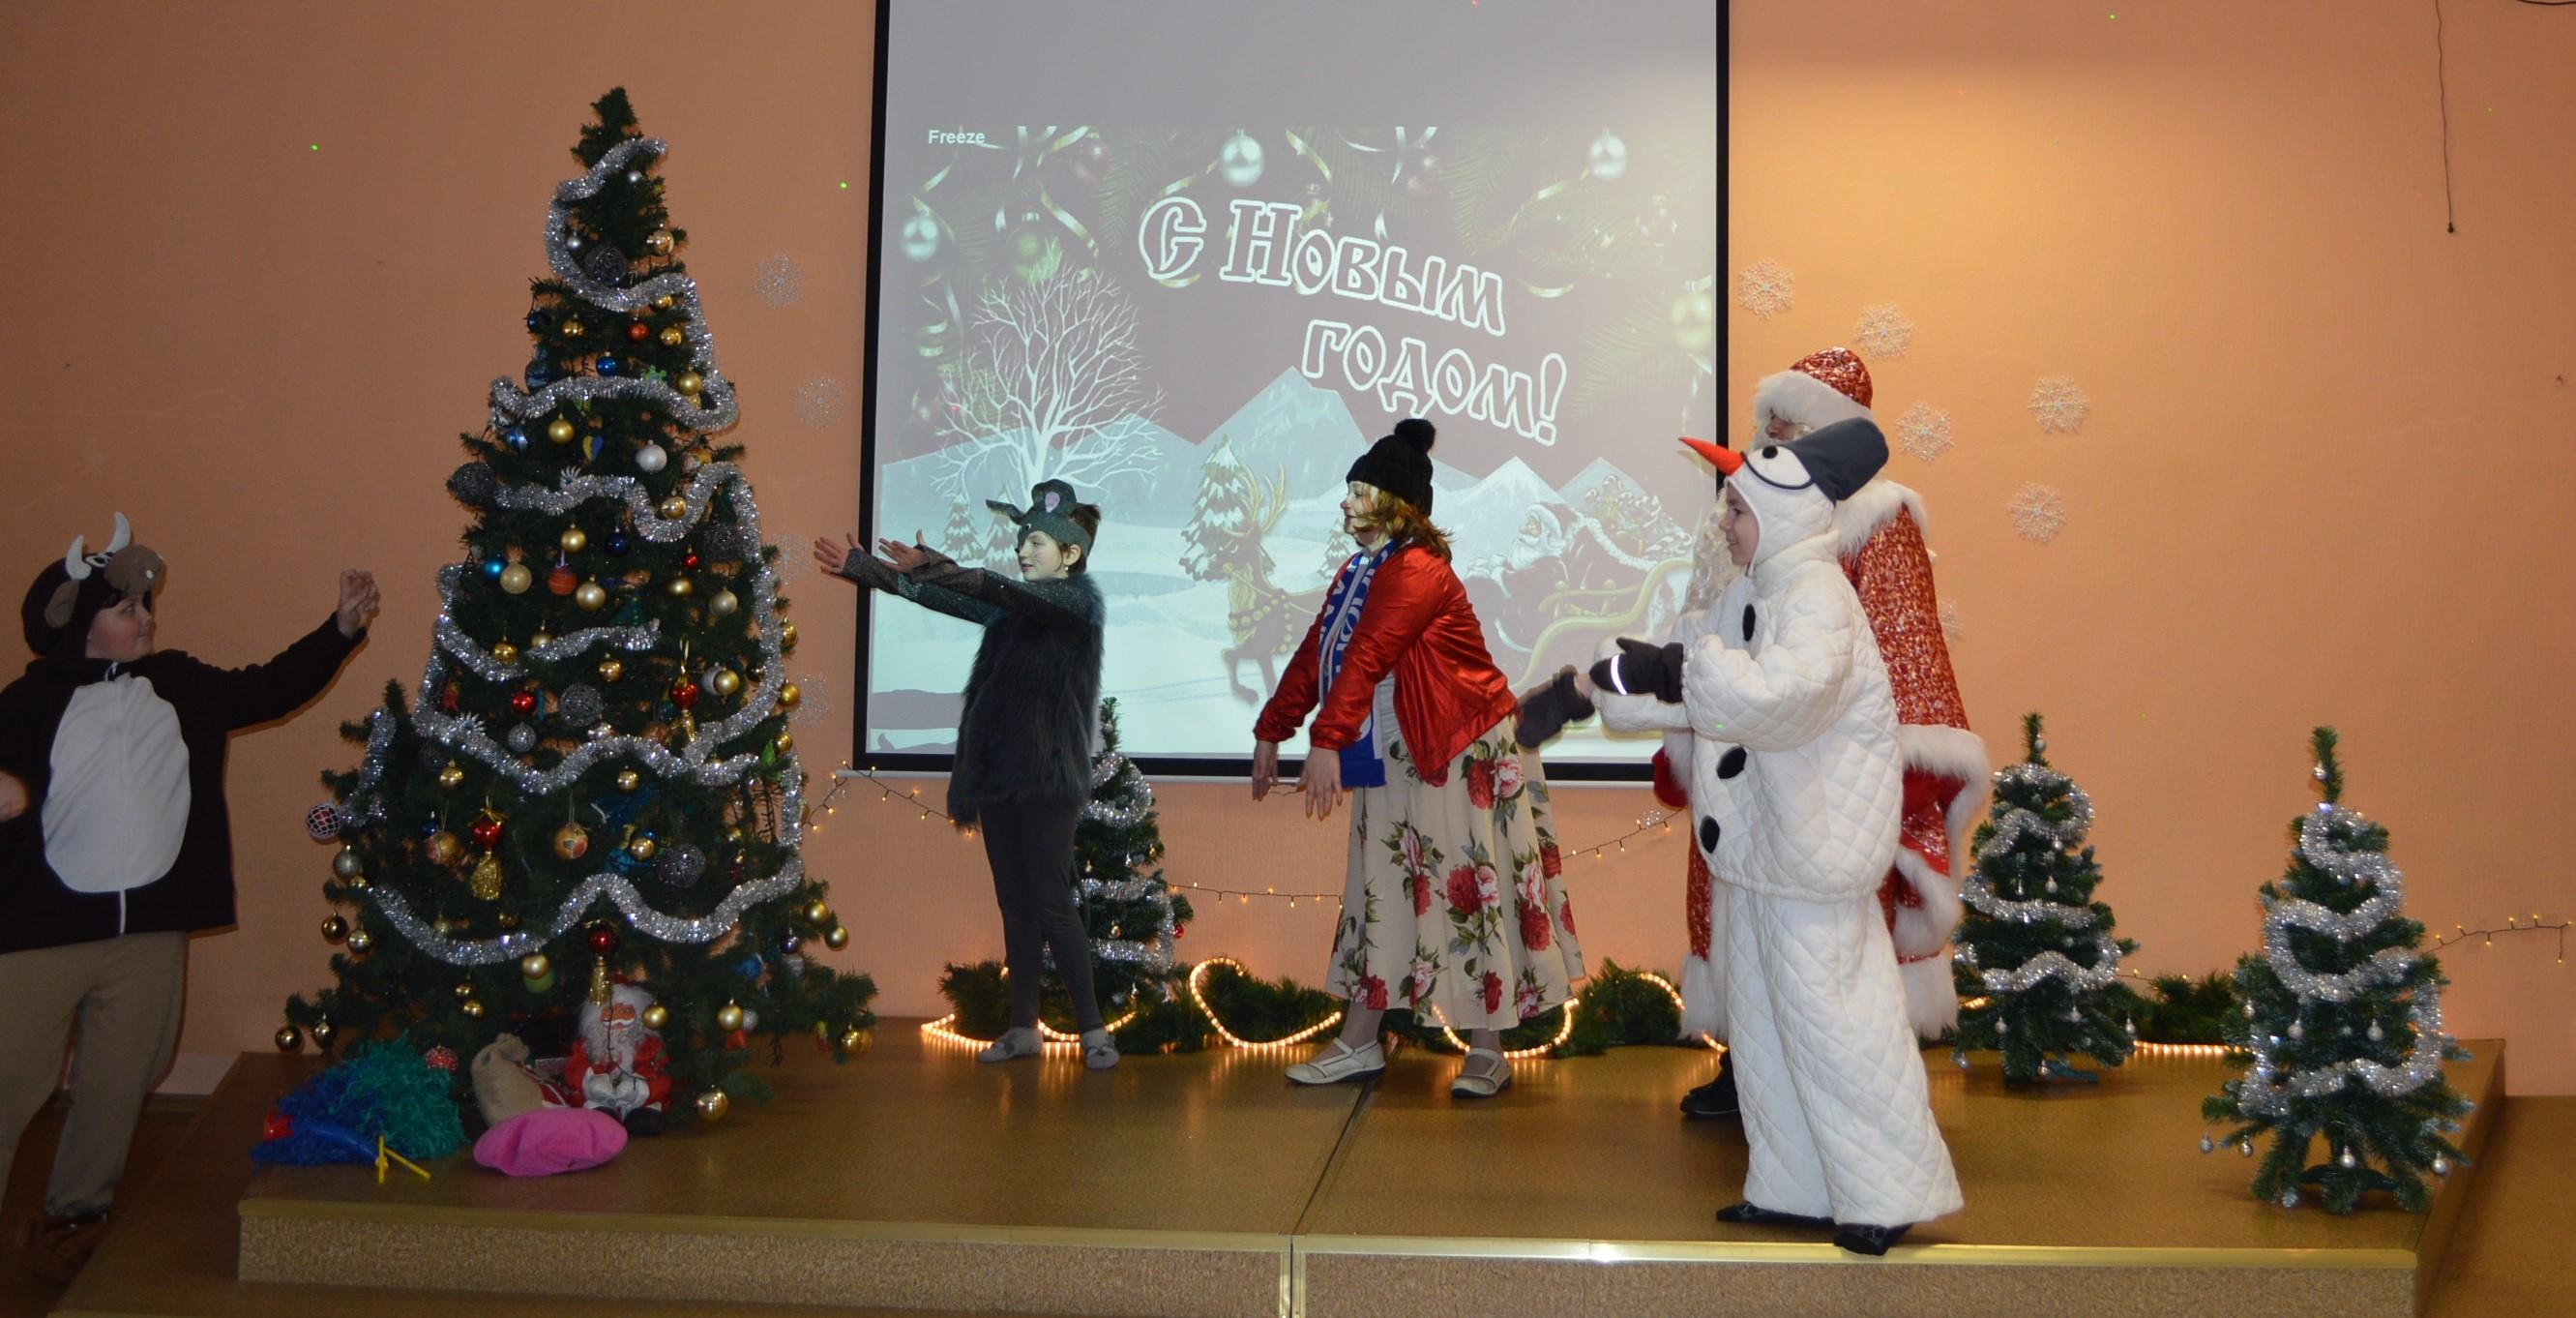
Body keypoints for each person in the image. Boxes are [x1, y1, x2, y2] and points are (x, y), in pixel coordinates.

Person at [1590, 421, 1961, 1254]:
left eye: (1736, 509)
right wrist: (1616, 680)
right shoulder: (1748, 593)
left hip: (1813, 855)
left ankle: (1887, 1192)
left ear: (1781, 513)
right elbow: (1703, 685)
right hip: (1758, 854)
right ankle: (1794, 1187)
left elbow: (1776, 700)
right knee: (1763, 1033)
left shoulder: (1820, 598)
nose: (1723, 523)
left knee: (1840, 1031)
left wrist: (1677, 670)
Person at [0, 515, 375, 1280]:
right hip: (40, 931)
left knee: (119, 1079)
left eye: (145, 605)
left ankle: (75, 1216)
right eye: (125, 609)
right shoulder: (25, 703)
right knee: (9, 1081)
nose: (145, 618)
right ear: (75, 627)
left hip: (150, 931)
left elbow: (269, 687)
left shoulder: (177, 684)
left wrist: (339, 630)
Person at [1251, 419, 1583, 1098]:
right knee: (1382, 887)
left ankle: (1486, 1050)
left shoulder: (1418, 571)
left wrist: (1324, 740)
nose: (1346, 503)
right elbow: (1320, 650)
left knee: (1469, 889)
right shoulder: (1359, 571)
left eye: (1360, 492)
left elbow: (1370, 652)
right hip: (1399, 750)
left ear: (1397, 505)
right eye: (1349, 490)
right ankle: (1359, 1042)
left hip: (1459, 751)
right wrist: (1272, 727)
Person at [814, 480, 1117, 1069]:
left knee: (1052, 901)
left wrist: (937, 563)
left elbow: (993, 587)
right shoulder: (1013, 612)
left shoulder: (1076, 605)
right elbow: (945, 598)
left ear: (1070, 553)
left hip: (1048, 776)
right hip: (999, 772)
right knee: (1015, 902)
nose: (1023, 551)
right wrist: (866, 569)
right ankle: (1023, 1029)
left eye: (1035, 542)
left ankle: (1094, 1032)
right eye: (1022, 541)